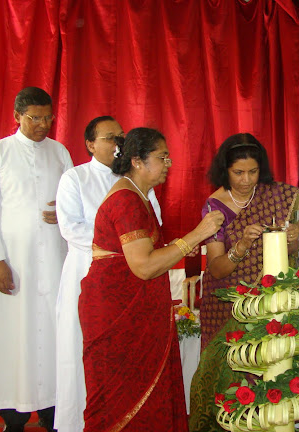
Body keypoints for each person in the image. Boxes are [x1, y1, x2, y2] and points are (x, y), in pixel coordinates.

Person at [78, 127, 223, 431]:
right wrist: (197, 234)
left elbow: (143, 254)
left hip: (135, 309)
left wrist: (178, 245)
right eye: (162, 157)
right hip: (118, 313)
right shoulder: (126, 200)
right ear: (137, 161)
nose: (169, 164)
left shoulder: (138, 195)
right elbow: (143, 266)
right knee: (120, 399)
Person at [0, 87, 73, 431]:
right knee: (12, 336)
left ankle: (52, 410)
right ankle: (12, 416)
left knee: (52, 336)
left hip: (55, 262)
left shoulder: (60, 152)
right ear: (17, 116)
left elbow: (73, 203)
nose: (42, 124)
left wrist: (63, 214)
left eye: (48, 118)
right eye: (35, 118)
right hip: (14, 264)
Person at [189, 132, 299, 432]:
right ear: (224, 171)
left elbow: (290, 250)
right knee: (227, 376)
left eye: (253, 171)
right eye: (238, 172)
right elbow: (217, 268)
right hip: (226, 303)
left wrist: (293, 239)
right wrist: (240, 246)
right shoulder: (214, 207)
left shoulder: (275, 195)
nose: (246, 180)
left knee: (266, 370)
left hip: (266, 300)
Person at [54, 117, 162, 432]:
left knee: (126, 355)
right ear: (90, 144)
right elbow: (70, 228)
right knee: (83, 351)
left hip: (134, 276)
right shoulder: (75, 178)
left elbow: (154, 221)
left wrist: (135, 245)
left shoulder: (137, 179)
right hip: (88, 272)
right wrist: (122, 240)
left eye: (121, 136)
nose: (117, 143)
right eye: (110, 137)